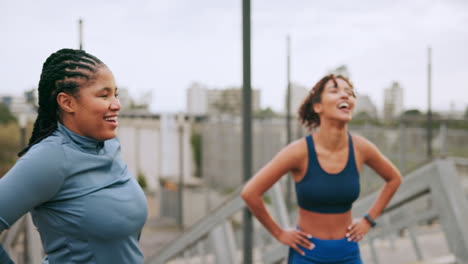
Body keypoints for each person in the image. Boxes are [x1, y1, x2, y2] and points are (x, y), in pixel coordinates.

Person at [0, 48, 148, 264]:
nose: (117, 104)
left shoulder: (109, 145)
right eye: (103, 95)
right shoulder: (50, 158)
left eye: (115, 94)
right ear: (67, 103)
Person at [241, 74, 402, 263]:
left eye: (349, 93)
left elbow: (394, 179)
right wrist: (279, 233)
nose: (345, 96)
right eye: (335, 91)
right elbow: (250, 192)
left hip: (348, 254)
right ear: (318, 107)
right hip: (307, 254)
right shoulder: (298, 152)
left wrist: (369, 220)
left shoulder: (361, 148)